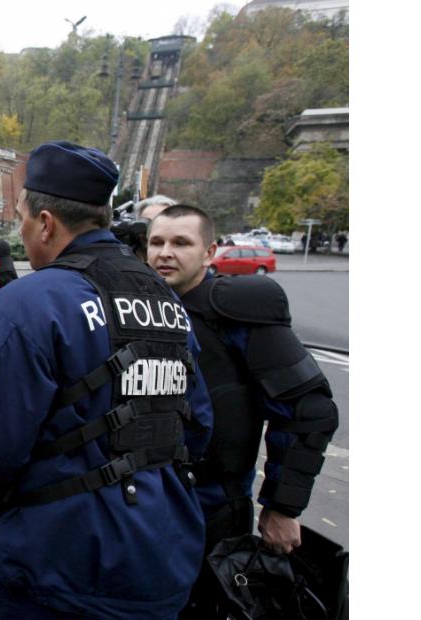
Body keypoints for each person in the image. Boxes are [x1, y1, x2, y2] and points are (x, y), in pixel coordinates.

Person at [0, 140, 214, 619]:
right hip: (162, 554)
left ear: (45, 223)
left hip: (65, 564)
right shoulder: (164, 300)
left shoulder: (33, 301)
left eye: (22, 216)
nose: (21, 230)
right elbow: (198, 426)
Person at [145, 205, 338, 618]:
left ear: (210, 251)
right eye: (156, 242)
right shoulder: (137, 310)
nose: (165, 253)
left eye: (181, 243)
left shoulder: (234, 312)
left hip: (212, 511)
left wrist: (283, 506)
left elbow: (310, 409)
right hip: (142, 510)